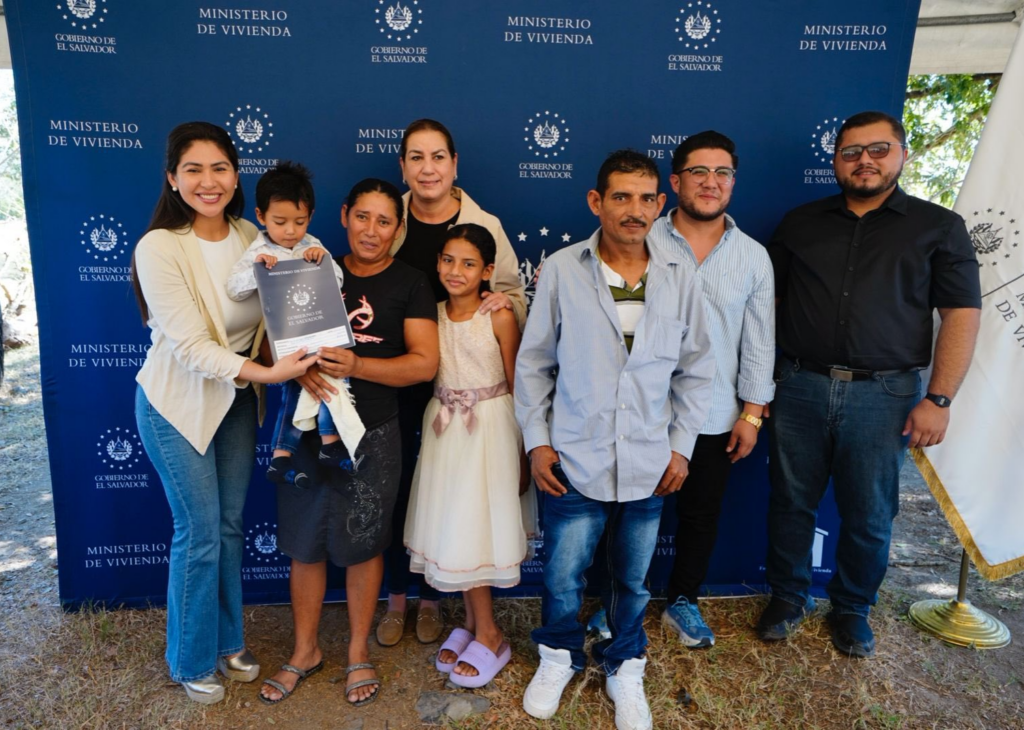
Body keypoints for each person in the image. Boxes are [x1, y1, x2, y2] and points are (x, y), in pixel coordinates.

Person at [760, 111, 982, 657]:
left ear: (902, 155)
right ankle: (788, 597)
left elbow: (960, 313)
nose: (865, 160)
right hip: (800, 384)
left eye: (878, 149)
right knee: (791, 501)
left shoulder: (938, 227)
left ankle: (853, 607)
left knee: (870, 510)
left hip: (885, 395)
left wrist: (940, 398)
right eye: (852, 151)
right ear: (836, 160)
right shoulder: (799, 223)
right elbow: (768, 304)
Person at [515, 149, 716, 730]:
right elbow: (534, 366)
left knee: (631, 578)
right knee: (562, 574)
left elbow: (697, 369)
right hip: (574, 456)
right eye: (620, 197)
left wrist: (681, 447)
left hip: (650, 461)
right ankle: (558, 655)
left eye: (645, 198)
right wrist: (538, 442)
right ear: (595, 202)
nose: (633, 210)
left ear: (661, 203)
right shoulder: (561, 269)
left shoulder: (680, 276)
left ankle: (625, 663)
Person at [131, 122, 315, 704]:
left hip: (237, 398)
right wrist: (270, 374)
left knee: (230, 527)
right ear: (172, 178)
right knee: (200, 533)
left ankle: (229, 639)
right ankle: (189, 659)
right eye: (193, 169)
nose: (208, 182)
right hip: (176, 402)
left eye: (219, 168)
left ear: (236, 175)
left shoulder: (249, 235)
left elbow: (294, 299)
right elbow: (188, 346)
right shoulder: (159, 246)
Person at [259, 179, 439, 707]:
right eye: (363, 217)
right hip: (306, 426)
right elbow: (276, 341)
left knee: (363, 544)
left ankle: (358, 650)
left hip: (374, 431)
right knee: (302, 542)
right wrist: (298, 373)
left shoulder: (411, 283)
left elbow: (424, 363)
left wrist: (359, 365)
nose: (372, 230)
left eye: (385, 222)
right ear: (343, 216)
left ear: (399, 229)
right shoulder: (313, 270)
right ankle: (305, 650)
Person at [378, 118, 526, 648]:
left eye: (437, 156)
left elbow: (510, 293)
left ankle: (433, 601)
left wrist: (503, 302)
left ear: (454, 163)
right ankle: (396, 597)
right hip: (399, 380)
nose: (428, 168)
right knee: (405, 494)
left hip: (465, 386)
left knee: (456, 499)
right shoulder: (388, 218)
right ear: (403, 166)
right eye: (416, 157)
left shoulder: (483, 223)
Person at [404, 223, 535, 688]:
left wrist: (526, 447)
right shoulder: (431, 313)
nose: (455, 271)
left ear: (487, 271)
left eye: (468, 263)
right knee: (454, 524)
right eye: (448, 260)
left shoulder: (498, 315)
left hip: (490, 427)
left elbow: (520, 381)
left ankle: (492, 634)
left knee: (476, 524)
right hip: (445, 428)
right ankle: (479, 625)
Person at [226, 161, 348, 488]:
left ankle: (328, 441)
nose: (291, 231)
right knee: (295, 390)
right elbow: (234, 290)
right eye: (280, 222)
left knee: (336, 383)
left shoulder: (312, 243)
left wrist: (321, 262)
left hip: (319, 332)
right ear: (261, 216)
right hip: (284, 340)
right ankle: (284, 454)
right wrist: (257, 268)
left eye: (300, 221)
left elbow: (337, 281)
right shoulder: (259, 248)